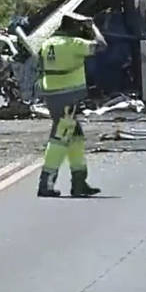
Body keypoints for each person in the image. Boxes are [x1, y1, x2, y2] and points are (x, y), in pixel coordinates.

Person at [37, 14, 107, 198]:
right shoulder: (73, 44)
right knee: (60, 136)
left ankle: (79, 182)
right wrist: (93, 28)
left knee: (76, 136)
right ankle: (46, 183)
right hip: (68, 94)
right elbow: (101, 45)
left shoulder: (48, 43)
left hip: (52, 93)